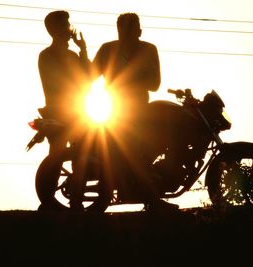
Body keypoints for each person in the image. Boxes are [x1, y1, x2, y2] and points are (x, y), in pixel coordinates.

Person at [92, 12, 178, 211]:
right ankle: (152, 200)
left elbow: (155, 84)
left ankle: (146, 194)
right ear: (119, 30)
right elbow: (89, 75)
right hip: (115, 111)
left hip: (139, 110)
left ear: (139, 31)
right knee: (131, 154)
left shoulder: (149, 49)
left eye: (131, 29)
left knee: (142, 151)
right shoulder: (107, 49)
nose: (127, 33)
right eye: (124, 29)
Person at [38, 10, 90, 211]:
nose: (70, 28)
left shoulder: (70, 55)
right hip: (61, 114)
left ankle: (75, 202)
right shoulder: (47, 56)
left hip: (77, 112)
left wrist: (83, 51)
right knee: (60, 156)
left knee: (79, 157)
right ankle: (50, 200)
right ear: (56, 29)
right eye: (66, 25)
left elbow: (89, 78)